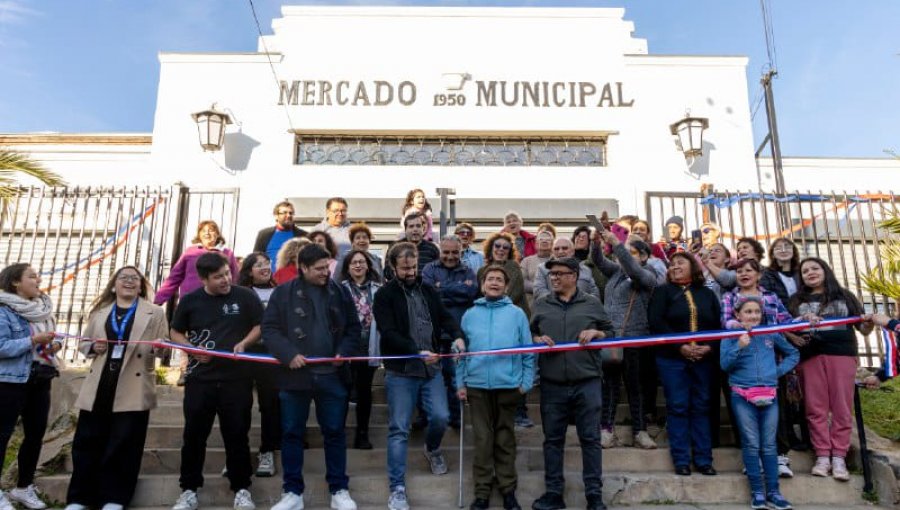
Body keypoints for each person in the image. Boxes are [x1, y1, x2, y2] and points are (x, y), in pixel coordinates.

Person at [263, 244, 362, 510]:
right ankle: (292, 493)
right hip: (295, 376)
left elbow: (354, 328)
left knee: (334, 433)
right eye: (318, 269)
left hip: (332, 376)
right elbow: (270, 329)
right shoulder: (283, 294)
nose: (325, 273)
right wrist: (288, 354)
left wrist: (343, 351)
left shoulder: (339, 291)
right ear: (303, 268)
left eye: (327, 267)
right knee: (292, 433)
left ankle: (339, 490)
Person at [65, 267, 169, 510]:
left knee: (125, 444)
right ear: (114, 285)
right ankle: (79, 498)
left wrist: (160, 346)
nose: (130, 282)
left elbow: (162, 347)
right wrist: (93, 348)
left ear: (141, 286)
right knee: (87, 442)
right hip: (100, 383)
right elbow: (85, 344)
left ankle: (114, 498)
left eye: (135, 279)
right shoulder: (101, 312)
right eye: (124, 278)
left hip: (133, 385)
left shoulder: (154, 312)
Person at [168, 252, 264, 510]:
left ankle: (242, 488)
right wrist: (191, 349)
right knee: (194, 436)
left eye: (227, 273)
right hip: (201, 380)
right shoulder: (190, 301)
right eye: (218, 277)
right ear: (203, 279)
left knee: (237, 435)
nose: (225, 280)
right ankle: (188, 490)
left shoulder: (245, 296)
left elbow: (261, 325)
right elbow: (174, 330)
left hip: (237, 379)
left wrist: (244, 343)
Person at [373, 242, 464, 510]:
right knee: (399, 428)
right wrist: (415, 351)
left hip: (431, 368)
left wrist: (458, 337)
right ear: (392, 267)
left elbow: (446, 318)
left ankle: (432, 448)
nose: (411, 272)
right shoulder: (385, 295)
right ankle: (397, 488)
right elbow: (388, 332)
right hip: (401, 371)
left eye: (414, 267)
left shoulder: (427, 290)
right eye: (405, 268)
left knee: (441, 416)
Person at [530, 257, 613, 510]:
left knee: (590, 439)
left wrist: (597, 333)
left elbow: (611, 333)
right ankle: (554, 494)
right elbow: (530, 334)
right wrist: (536, 339)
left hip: (586, 382)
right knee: (553, 440)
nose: (553, 278)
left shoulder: (592, 303)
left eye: (559, 273)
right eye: (551, 274)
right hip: (552, 382)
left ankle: (594, 497)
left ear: (574, 275)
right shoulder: (541, 305)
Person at [455, 265, 534, 510]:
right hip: (477, 385)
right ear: (482, 284)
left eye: (500, 280)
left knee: (504, 439)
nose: (495, 283)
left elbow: (528, 351)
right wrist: (460, 383)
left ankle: (508, 490)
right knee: (482, 440)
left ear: (507, 286)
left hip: (508, 385)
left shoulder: (517, 314)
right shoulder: (470, 314)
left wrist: (527, 382)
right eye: (490, 279)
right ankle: (481, 493)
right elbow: (461, 353)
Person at [787, 257, 874, 481]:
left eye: (815, 268)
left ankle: (839, 458)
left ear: (825, 270)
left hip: (842, 355)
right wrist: (801, 321)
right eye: (805, 271)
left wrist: (870, 322)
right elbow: (788, 329)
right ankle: (823, 456)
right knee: (815, 409)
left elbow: (863, 329)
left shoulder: (845, 296)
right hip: (810, 357)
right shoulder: (796, 300)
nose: (810, 273)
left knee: (842, 407)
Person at [719, 257, 796, 476]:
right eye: (740, 271)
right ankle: (753, 459)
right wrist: (741, 326)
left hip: (771, 360)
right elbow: (726, 322)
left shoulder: (770, 296)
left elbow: (786, 320)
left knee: (775, 412)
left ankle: (780, 458)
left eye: (749, 270)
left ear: (758, 275)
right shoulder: (729, 297)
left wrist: (804, 319)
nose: (744, 274)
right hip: (741, 362)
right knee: (745, 415)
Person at [720, 297, 798, 510]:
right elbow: (724, 365)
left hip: (770, 395)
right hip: (742, 396)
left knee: (770, 444)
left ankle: (774, 492)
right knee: (752, 444)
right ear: (738, 315)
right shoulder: (729, 335)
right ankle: (757, 493)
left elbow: (793, 353)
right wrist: (738, 345)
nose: (753, 316)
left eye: (756, 312)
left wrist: (777, 372)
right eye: (748, 312)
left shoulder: (769, 333)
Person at [648, 252, 720, 476]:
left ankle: (704, 459)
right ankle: (681, 460)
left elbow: (718, 324)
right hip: (672, 360)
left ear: (694, 267)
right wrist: (681, 347)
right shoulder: (662, 292)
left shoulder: (707, 294)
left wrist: (709, 347)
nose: (674, 267)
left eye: (681, 263)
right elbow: (656, 322)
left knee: (702, 406)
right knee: (678, 406)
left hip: (704, 360)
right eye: (672, 264)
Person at [0, 264, 60, 510]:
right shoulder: (4, 310)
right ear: (15, 282)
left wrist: (53, 347)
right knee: (2, 436)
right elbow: (2, 347)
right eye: (32, 276)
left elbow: (45, 344)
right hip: (11, 381)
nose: (38, 280)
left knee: (35, 437)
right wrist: (33, 340)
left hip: (41, 377)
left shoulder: (43, 308)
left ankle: (23, 488)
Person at [591, 231, 659, 450]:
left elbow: (634, 270)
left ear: (644, 256)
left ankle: (640, 431)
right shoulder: (616, 273)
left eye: (632, 252)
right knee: (609, 386)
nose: (626, 256)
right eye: (625, 252)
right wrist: (596, 243)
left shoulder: (647, 275)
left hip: (635, 340)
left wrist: (617, 244)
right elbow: (598, 261)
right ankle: (606, 430)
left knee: (635, 387)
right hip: (611, 339)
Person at [154, 221, 239, 386]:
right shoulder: (190, 253)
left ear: (218, 234)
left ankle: (216, 370)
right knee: (187, 337)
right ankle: (185, 371)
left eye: (212, 231)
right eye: (204, 231)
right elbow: (174, 277)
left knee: (213, 336)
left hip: (218, 303)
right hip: (192, 303)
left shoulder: (227, 253)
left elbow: (235, 279)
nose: (208, 234)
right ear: (199, 234)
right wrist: (157, 300)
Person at [422, 235, 478, 429]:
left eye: (455, 252)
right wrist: (458, 289)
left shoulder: (468, 270)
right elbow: (428, 294)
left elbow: (470, 293)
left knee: (456, 378)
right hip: (434, 334)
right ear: (440, 251)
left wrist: (442, 288)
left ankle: (456, 418)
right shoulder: (429, 269)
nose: (451, 256)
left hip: (458, 334)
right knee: (432, 378)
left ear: (461, 251)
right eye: (446, 252)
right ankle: (431, 418)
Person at [237, 253, 281, 477]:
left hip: (271, 357)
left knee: (270, 405)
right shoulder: (240, 294)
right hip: (245, 356)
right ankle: (238, 454)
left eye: (267, 263)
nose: (265, 268)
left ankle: (267, 451)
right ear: (248, 270)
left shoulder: (280, 291)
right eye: (259, 265)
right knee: (240, 405)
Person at [339, 250, 383, 450]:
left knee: (365, 391)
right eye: (353, 262)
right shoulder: (339, 289)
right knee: (344, 389)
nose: (358, 265)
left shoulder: (378, 289)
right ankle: (338, 432)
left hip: (369, 346)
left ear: (368, 265)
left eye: (361, 262)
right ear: (347, 267)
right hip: (347, 347)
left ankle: (362, 434)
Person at [477, 232, 530, 316]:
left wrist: (493, 309)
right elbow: (480, 296)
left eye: (506, 247)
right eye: (497, 246)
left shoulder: (513, 266)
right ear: (491, 248)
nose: (501, 249)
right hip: (488, 315)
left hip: (512, 315)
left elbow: (512, 295)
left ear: (509, 252)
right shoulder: (481, 271)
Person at [533, 238, 600, 301]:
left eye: (564, 248)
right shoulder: (542, 269)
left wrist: (582, 304)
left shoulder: (585, 270)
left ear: (573, 251)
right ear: (552, 252)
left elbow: (594, 292)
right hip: (554, 310)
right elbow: (539, 290)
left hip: (582, 310)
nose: (560, 251)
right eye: (556, 249)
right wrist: (559, 302)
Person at [253, 201, 308, 270]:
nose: (288, 215)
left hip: (294, 279)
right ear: (276, 216)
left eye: (291, 213)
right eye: (284, 213)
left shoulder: (303, 236)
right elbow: (255, 259)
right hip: (269, 279)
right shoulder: (264, 235)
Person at [384, 212, 440, 281]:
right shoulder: (394, 247)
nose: (415, 229)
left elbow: (439, 271)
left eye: (418, 226)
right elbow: (387, 272)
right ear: (405, 229)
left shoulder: (432, 248)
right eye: (411, 226)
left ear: (423, 229)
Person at [759, 238, 801, 308]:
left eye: (787, 247)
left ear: (793, 252)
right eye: (778, 248)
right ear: (773, 254)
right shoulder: (767, 274)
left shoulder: (802, 272)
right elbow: (766, 297)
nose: (783, 250)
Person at [521, 230, 554, 306]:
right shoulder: (526, 261)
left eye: (548, 240)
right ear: (536, 244)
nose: (544, 241)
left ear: (552, 244)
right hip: (531, 305)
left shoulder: (557, 261)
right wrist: (541, 288)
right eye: (541, 239)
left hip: (553, 304)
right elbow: (522, 282)